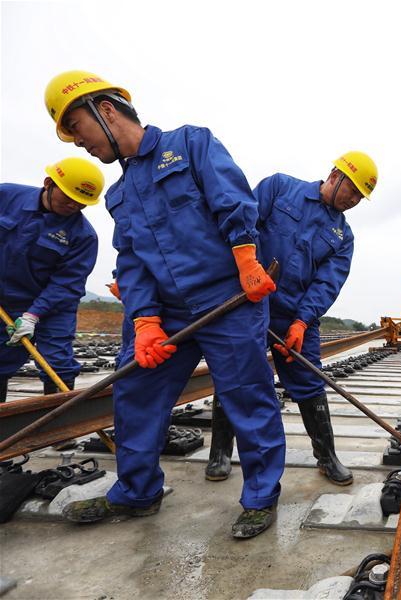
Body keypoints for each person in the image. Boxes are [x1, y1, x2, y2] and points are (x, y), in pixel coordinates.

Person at [45, 70, 286, 539]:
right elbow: (132, 263)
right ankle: (137, 493)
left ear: (107, 110)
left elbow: (230, 198)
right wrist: (146, 321)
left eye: (78, 127)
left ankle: (260, 496)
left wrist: (245, 255)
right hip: (168, 314)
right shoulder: (118, 194)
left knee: (247, 397)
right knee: (134, 392)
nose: (79, 143)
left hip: (229, 299)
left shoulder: (190, 144)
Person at [205, 151, 378, 487]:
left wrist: (302, 321)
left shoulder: (344, 237)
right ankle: (220, 453)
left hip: (294, 317)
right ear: (334, 175)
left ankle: (327, 457)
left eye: (360, 197)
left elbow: (327, 283)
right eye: (353, 190)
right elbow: (243, 227)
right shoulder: (280, 188)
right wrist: (245, 273)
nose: (354, 200)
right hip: (249, 301)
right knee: (234, 374)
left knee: (310, 383)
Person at [1, 158, 101, 401]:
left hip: (52, 305)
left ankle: (60, 431)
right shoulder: (6, 196)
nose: (74, 205)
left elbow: (67, 283)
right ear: (48, 183)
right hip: (4, 297)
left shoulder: (84, 236)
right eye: (68, 198)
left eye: (82, 203)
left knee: (57, 360)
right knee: (1, 358)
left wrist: (33, 315)